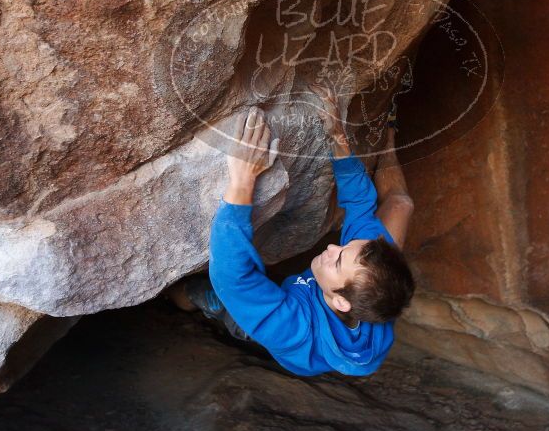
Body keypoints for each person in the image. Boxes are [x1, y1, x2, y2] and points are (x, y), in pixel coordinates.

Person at [171, 91, 415, 376]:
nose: (331, 249)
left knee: (209, 295)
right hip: (323, 298)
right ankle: (390, 132)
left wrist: (242, 180)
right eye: (344, 248)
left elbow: (232, 276)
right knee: (401, 205)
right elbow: (360, 203)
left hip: (276, 328)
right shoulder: (368, 274)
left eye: (337, 261)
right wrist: (338, 137)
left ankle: (183, 301)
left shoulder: (291, 327)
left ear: (340, 301)